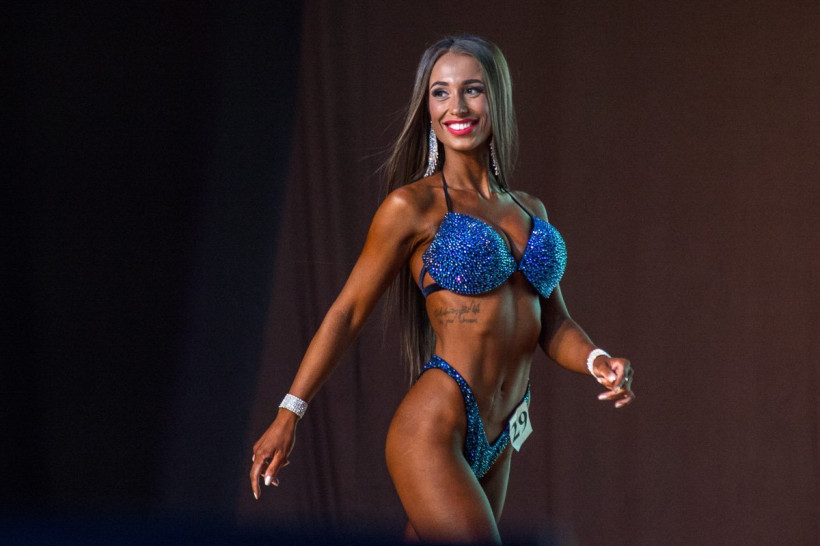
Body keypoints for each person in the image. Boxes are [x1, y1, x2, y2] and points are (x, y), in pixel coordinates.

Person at [250, 34, 635, 544]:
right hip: (433, 428)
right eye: (440, 92)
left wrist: (598, 360)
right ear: (427, 108)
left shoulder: (530, 210)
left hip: (501, 435)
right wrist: (289, 413)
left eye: (472, 90)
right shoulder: (413, 207)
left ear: (496, 98)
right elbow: (348, 312)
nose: (457, 106)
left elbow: (553, 323)